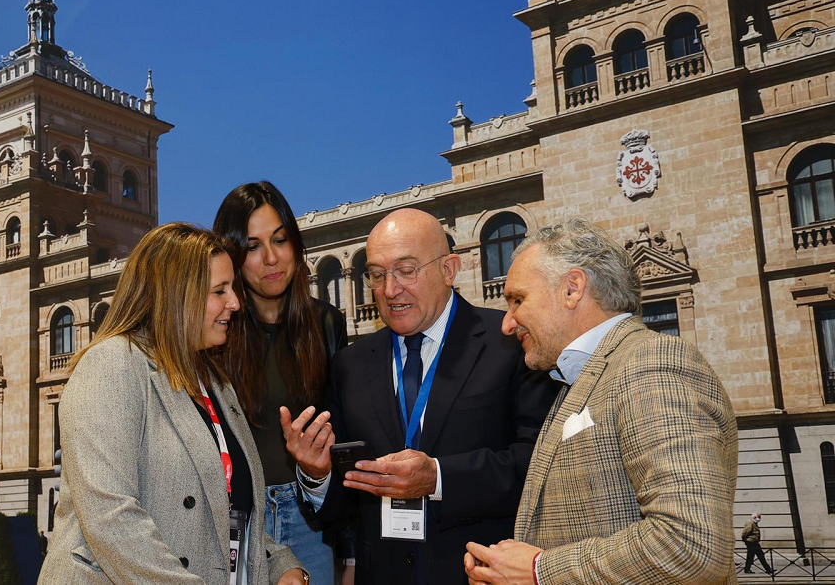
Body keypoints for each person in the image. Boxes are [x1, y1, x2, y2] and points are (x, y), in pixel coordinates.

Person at [284, 208, 557, 584]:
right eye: (377, 275)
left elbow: (538, 465)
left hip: (479, 573)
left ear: (449, 269)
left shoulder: (509, 344)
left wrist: (438, 478)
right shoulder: (350, 364)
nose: (390, 290)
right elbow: (342, 504)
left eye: (406, 270)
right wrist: (318, 474)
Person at [463, 218, 738, 585]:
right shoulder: (577, 379)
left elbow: (691, 544)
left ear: (572, 289)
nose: (507, 323)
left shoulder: (650, 363)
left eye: (518, 299)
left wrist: (538, 571)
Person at [41, 223, 308, 585]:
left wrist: (279, 565)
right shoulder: (111, 364)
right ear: (176, 295)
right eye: (219, 291)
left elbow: (227, 509)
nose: (236, 303)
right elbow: (111, 518)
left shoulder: (218, 384)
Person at [213, 181, 349, 585]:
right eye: (252, 246)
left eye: (280, 240)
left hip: (309, 518)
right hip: (235, 518)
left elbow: (340, 441)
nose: (271, 258)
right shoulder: (215, 333)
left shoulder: (326, 323)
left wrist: (352, 553)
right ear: (232, 255)